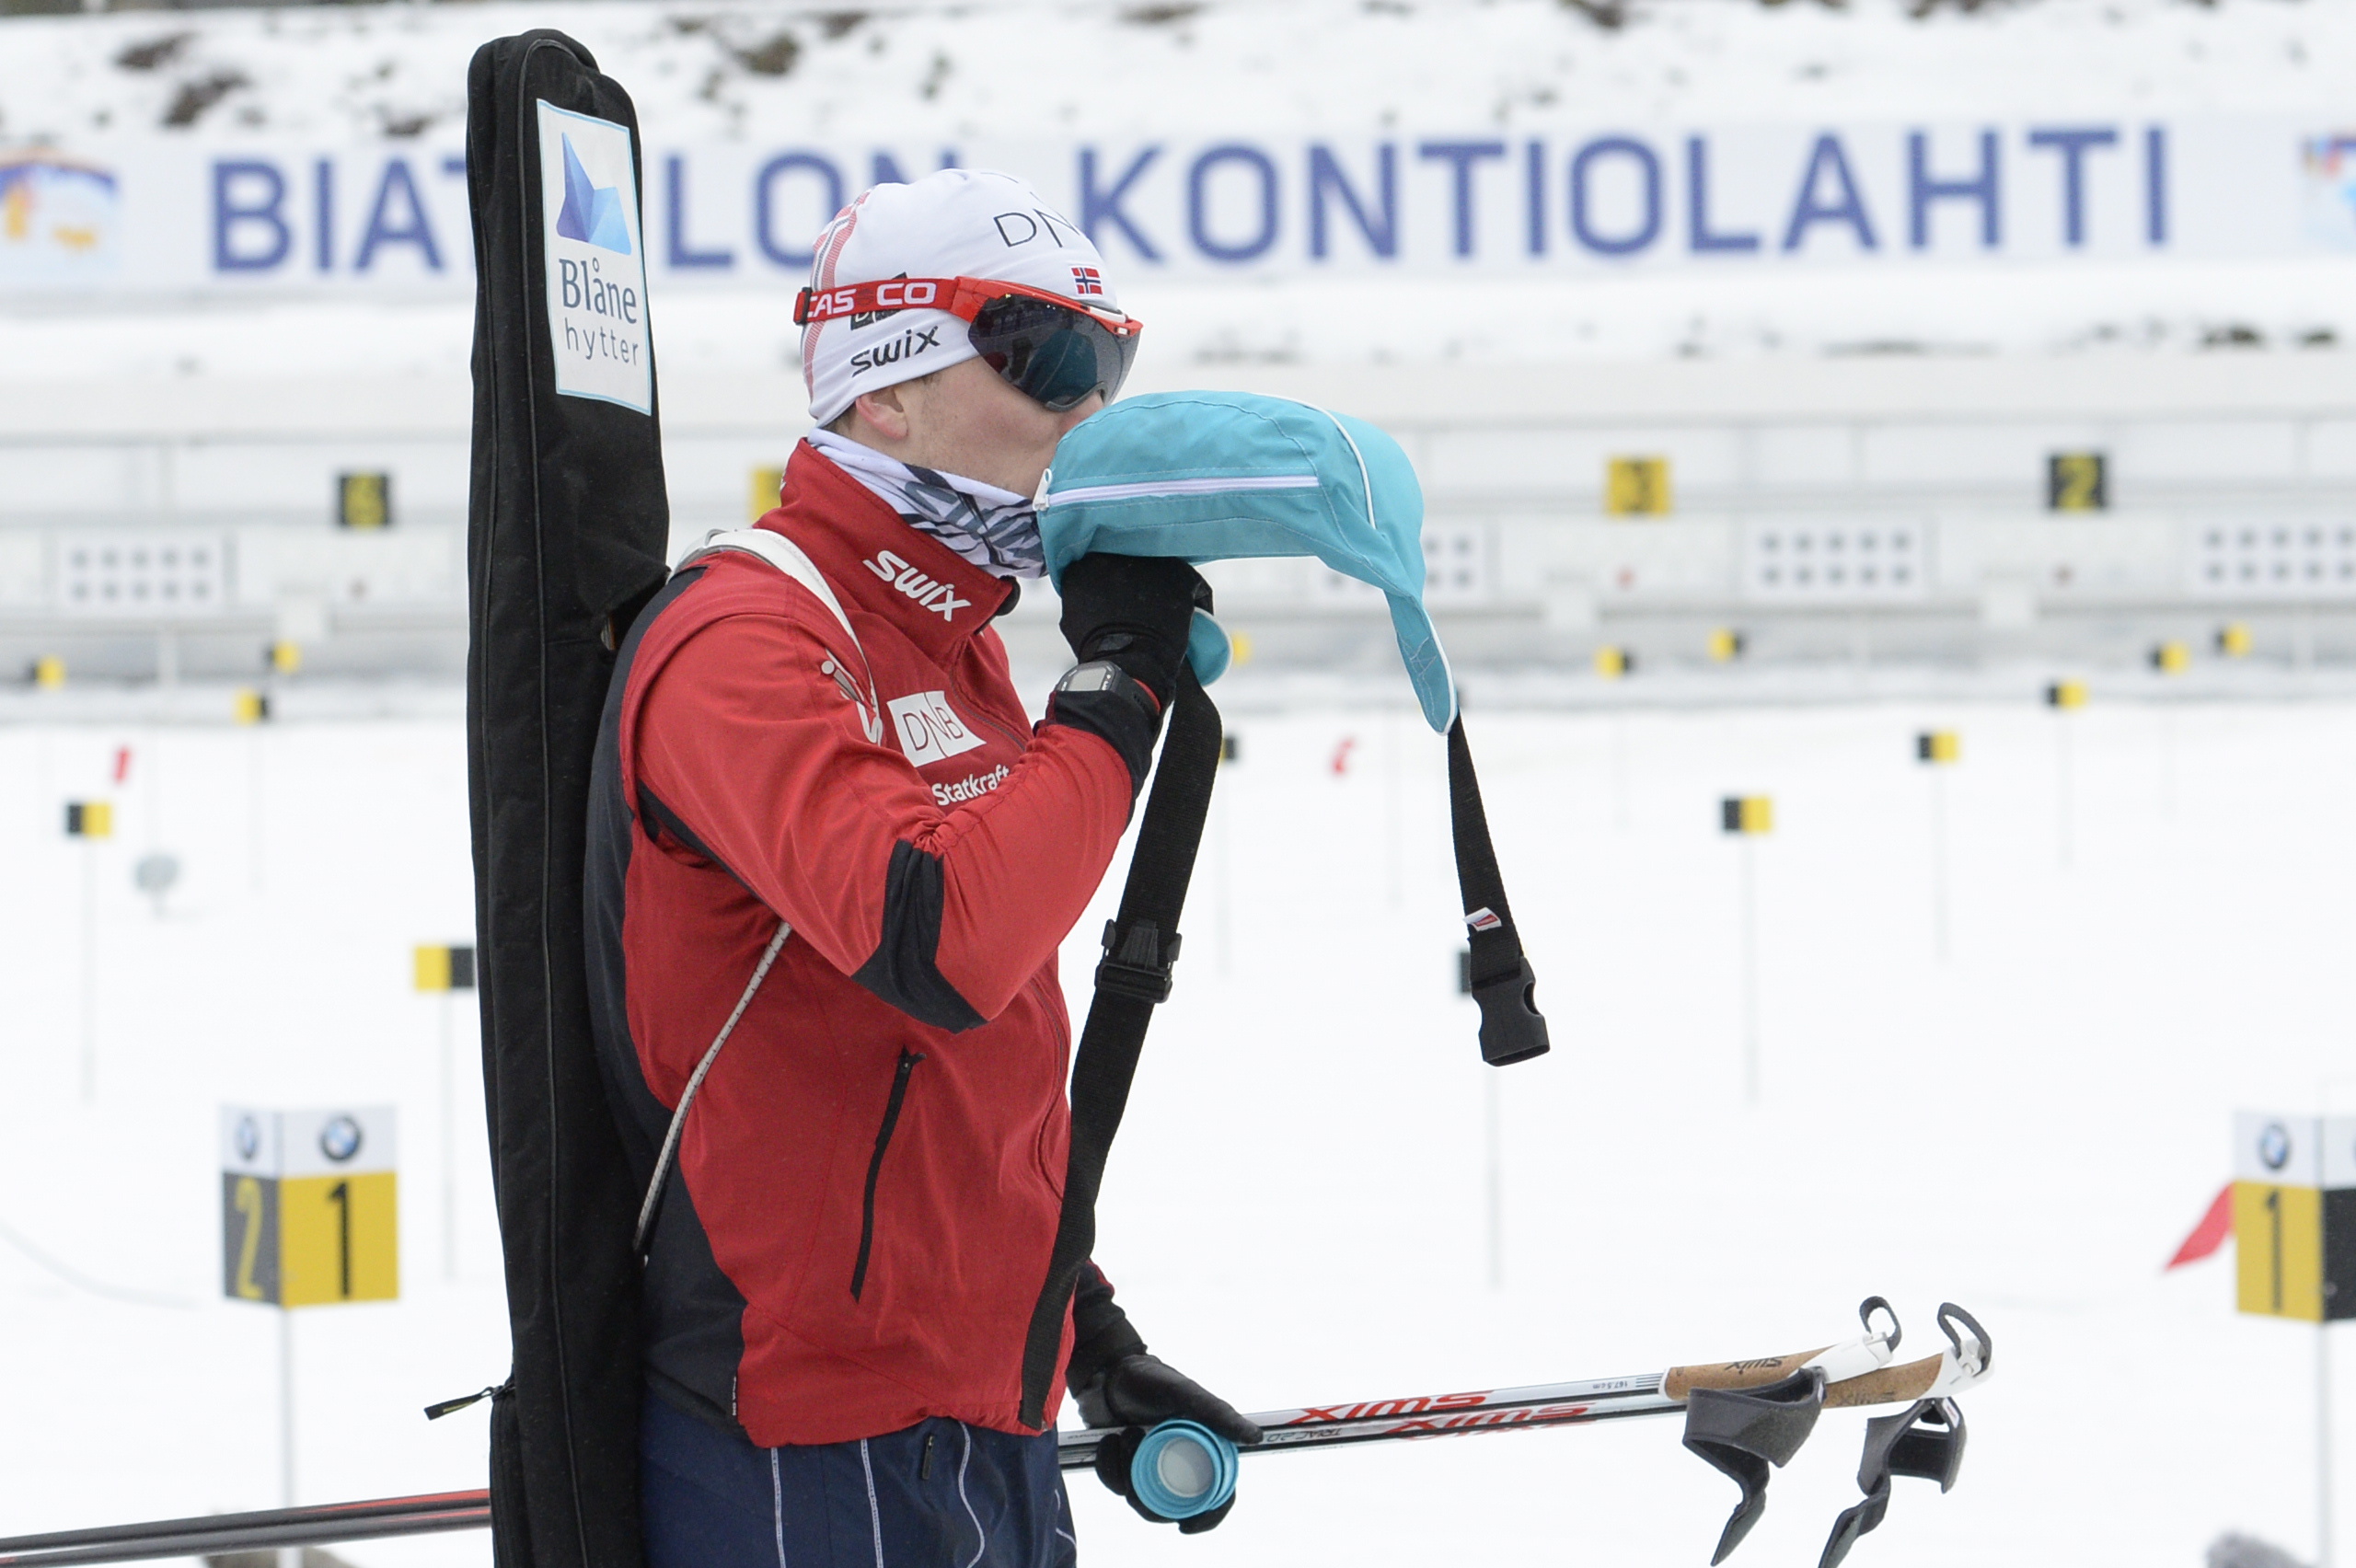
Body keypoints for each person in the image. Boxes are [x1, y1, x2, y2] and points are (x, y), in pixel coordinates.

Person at [583, 167, 1259, 1567]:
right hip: (793, 1432)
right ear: (884, 384)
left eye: (1109, 362)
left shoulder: (948, 648)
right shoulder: (751, 638)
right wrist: (1120, 689)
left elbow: (962, 1075)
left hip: (979, 1411)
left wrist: (1085, 1332)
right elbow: (941, 940)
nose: (1090, 410)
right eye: (1046, 358)